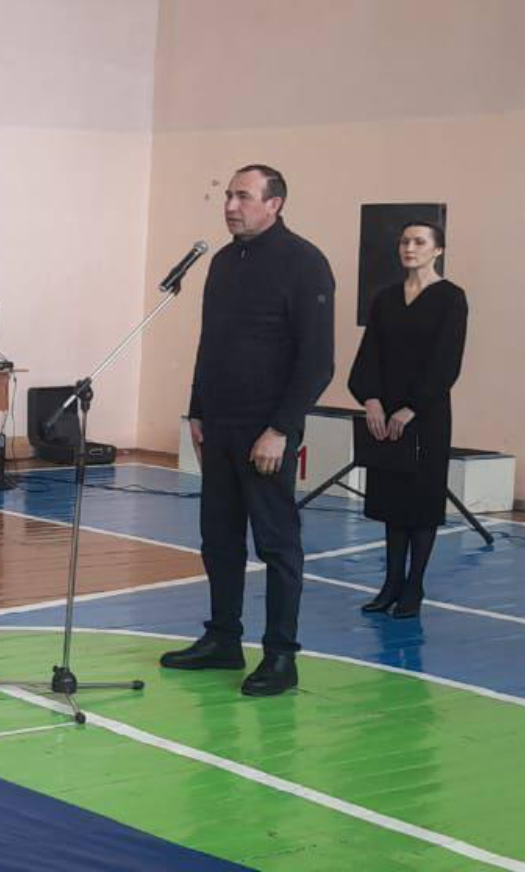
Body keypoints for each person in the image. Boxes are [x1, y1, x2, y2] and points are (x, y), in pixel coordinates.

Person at [160, 164, 335, 697]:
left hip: (267, 431)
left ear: (274, 203)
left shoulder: (305, 263)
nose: (231, 206)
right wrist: (196, 411)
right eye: (228, 197)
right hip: (219, 426)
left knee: (277, 544)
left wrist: (280, 429)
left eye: (243, 196)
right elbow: (210, 344)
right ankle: (223, 638)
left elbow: (317, 361)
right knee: (219, 539)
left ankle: (281, 655)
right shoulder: (221, 263)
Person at [348, 222, 468, 617]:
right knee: (392, 502)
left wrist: (411, 408)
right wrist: (371, 400)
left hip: (426, 416)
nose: (409, 248)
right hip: (385, 415)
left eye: (419, 242)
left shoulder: (451, 298)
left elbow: (446, 361)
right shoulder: (385, 298)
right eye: (404, 241)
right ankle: (391, 584)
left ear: (438, 250)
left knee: (422, 501)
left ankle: (414, 586)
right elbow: (370, 353)